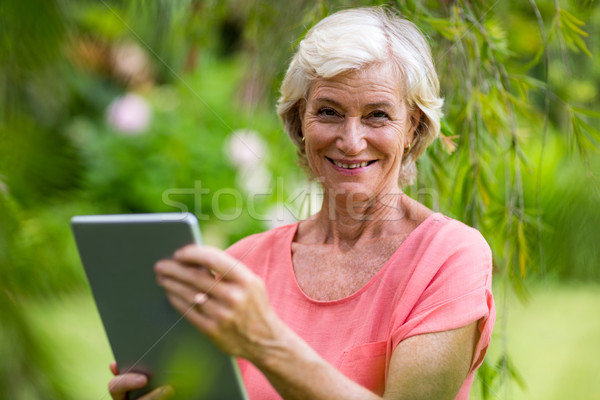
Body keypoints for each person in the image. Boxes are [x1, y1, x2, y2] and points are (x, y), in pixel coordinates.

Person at [109, 6, 495, 400]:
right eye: (328, 112)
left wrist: (268, 344)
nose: (351, 140)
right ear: (299, 120)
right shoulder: (242, 266)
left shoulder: (449, 257)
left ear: (412, 127)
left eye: (377, 115)